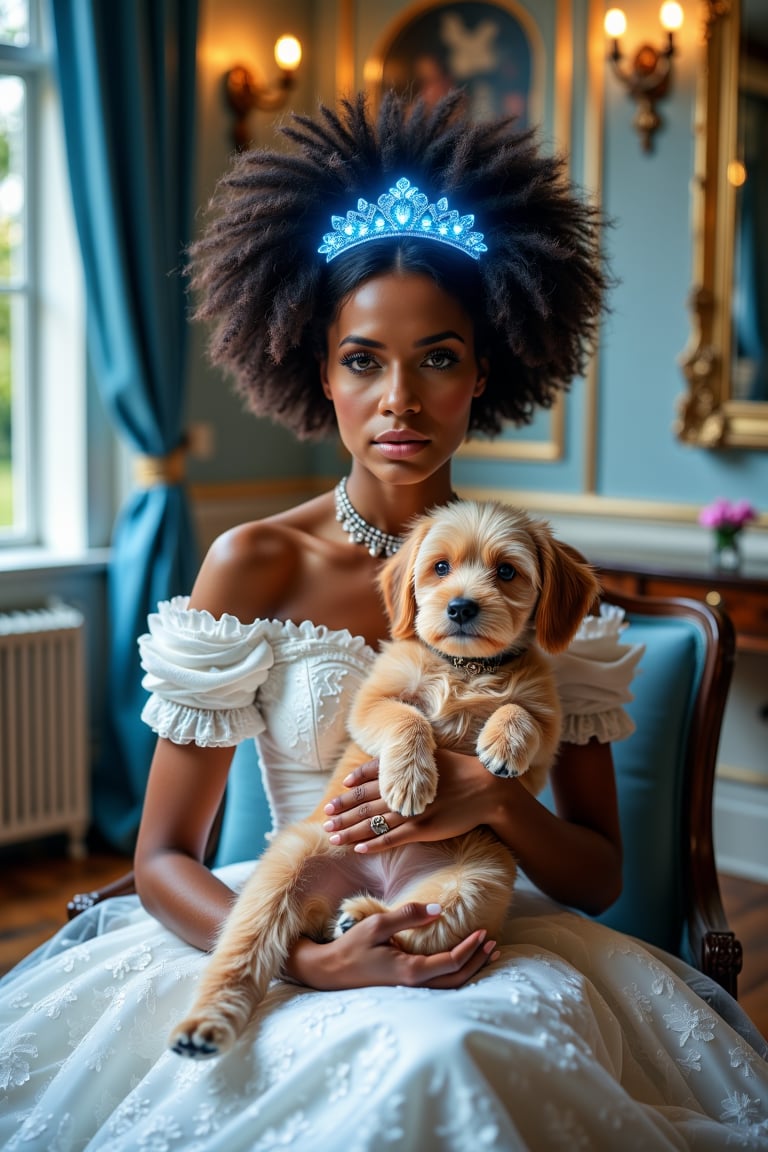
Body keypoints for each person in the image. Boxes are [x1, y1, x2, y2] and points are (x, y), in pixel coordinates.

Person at [1, 91, 766, 1151]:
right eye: (364, 360)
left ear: (484, 374)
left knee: (445, 1057)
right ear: (321, 372)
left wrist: (490, 795)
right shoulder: (255, 563)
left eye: (438, 357)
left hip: (478, 929)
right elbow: (163, 854)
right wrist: (305, 964)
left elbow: (596, 876)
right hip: (287, 917)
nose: (400, 397)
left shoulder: (535, 586)